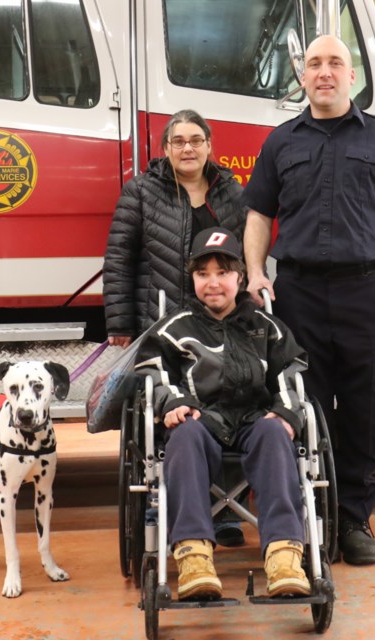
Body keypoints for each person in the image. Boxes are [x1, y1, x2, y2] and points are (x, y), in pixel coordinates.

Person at [243, 35, 375, 566]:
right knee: (306, 408)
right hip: (298, 293)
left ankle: (354, 519)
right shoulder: (281, 142)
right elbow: (258, 213)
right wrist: (256, 271)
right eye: (314, 64)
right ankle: (311, 517)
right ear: (302, 77)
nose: (324, 72)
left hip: (368, 291)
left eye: (335, 63)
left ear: (352, 77)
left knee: (368, 411)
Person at [134, 228, 311, 601]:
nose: (213, 283)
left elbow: (291, 374)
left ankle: (284, 556)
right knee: (182, 436)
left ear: (241, 278)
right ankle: (194, 556)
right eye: (202, 274)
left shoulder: (268, 329)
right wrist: (173, 403)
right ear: (192, 278)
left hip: (255, 420)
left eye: (223, 273)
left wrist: (284, 414)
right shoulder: (173, 329)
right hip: (202, 418)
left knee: (275, 434)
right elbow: (152, 372)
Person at [103, 109, 248, 547]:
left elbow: (243, 258)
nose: (188, 148)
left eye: (196, 140)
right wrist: (121, 322)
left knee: (233, 400)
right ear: (165, 149)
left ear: (209, 146)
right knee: (176, 411)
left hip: (220, 322)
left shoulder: (231, 192)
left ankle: (226, 514)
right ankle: (174, 504)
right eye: (179, 141)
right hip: (161, 322)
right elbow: (118, 259)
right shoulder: (142, 191)